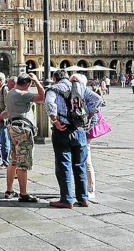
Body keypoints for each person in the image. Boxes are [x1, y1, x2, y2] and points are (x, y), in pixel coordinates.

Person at [46, 70, 102, 208]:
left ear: (55, 79)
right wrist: (87, 116)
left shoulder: (53, 88)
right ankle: (83, 198)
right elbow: (98, 100)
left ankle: (66, 200)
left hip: (62, 130)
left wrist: (54, 120)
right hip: (79, 130)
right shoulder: (80, 87)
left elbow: (49, 103)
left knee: (64, 165)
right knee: (80, 165)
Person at [4, 73, 45, 202]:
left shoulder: (10, 92)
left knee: (13, 160)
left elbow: (7, 112)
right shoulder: (22, 94)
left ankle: (9, 189)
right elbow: (42, 97)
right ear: (27, 84)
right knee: (23, 162)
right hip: (22, 129)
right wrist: (37, 82)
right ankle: (23, 193)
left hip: (12, 127)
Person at [71, 73, 99, 200]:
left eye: (75, 82)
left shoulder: (87, 94)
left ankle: (91, 189)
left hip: (84, 134)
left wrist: (87, 126)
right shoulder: (75, 94)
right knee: (76, 162)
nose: (72, 85)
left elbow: (97, 107)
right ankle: (80, 188)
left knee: (86, 161)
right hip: (76, 132)